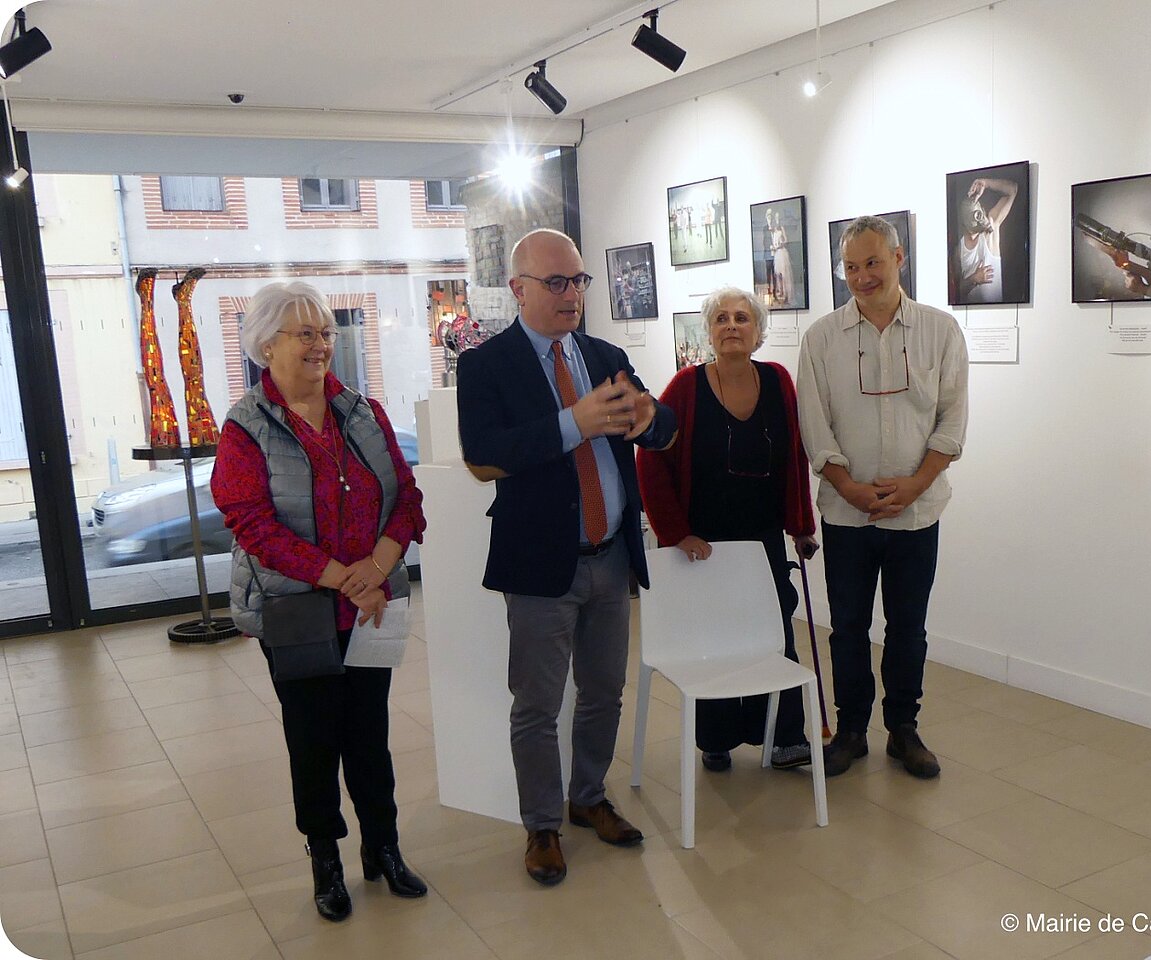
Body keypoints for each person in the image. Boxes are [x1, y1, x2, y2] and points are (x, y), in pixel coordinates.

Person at [456, 228, 678, 886]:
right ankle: (542, 826)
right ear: (518, 289)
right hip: (539, 564)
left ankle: (588, 798)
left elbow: (664, 429)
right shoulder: (486, 366)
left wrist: (647, 417)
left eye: (578, 281)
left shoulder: (605, 353)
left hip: (610, 554)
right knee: (537, 702)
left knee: (604, 692)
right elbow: (483, 456)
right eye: (556, 282)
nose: (571, 294)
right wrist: (572, 424)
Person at [212, 281, 428, 922]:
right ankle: (326, 861)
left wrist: (379, 565)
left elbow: (407, 497)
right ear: (266, 344)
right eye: (304, 333)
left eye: (325, 332)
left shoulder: (363, 411)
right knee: (313, 742)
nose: (320, 344)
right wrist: (341, 575)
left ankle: (383, 848)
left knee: (371, 736)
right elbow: (250, 524)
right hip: (299, 613)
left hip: (369, 607)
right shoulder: (245, 426)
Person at [797, 215, 968, 780]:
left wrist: (915, 485)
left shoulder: (941, 332)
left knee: (908, 628)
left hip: (917, 514)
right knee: (846, 627)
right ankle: (851, 730)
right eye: (850, 266)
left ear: (899, 259)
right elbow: (815, 425)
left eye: (872, 262)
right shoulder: (822, 338)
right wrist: (847, 486)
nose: (861, 276)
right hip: (846, 514)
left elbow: (951, 422)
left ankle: (903, 729)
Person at [638, 286, 817, 773]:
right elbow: (651, 461)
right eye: (721, 318)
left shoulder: (778, 381)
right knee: (712, 639)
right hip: (704, 541)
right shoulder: (685, 387)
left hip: (761, 538)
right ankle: (715, 738)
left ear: (758, 330)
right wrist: (676, 533)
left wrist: (800, 525)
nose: (732, 325)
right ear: (710, 331)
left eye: (742, 317)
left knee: (774, 633)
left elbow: (795, 457)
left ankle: (782, 737)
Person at [952, 176, 1017, 304]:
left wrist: (986, 183)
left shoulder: (989, 232)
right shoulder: (958, 251)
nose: (977, 215)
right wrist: (974, 279)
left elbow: (1012, 190)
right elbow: (957, 291)